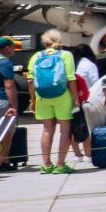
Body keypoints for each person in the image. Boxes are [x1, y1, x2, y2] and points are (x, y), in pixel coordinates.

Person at [30, 29, 76, 175]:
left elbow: (30, 80)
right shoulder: (66, 55)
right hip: (63, 96)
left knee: (47, 130)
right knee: (65, 130)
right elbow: (70, 79)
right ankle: (60, 164)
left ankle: (46, 164)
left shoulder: (36, 56)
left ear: (44, 42)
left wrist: (33, 100)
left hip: (43, 97)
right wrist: (76, 99)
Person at [67, 44, 99, 164]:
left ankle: (77, 154)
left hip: (71, 99)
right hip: (86, 99)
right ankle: (88, 154)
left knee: (73, 127)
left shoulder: (73, 65)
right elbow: (95, 82)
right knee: (86, 127)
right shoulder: (90, 65)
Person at [0, 36, 18, 173]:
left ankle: (2, 161)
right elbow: (9, 86)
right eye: (13, 46)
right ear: (7, 48)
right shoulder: (4, 62)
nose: (14, 49)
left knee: (5, 131)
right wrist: (13, 106)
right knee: (4, 133)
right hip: (2, 100)